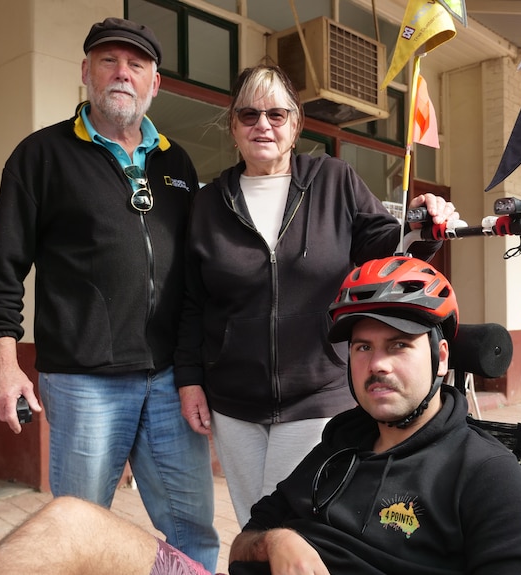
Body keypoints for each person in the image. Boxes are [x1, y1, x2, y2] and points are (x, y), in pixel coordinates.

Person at [0, 256, 521, 575]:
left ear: (442, 357)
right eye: (363, 347)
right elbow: (241, 547)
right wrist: (278, 540)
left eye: (398, 346)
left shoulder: (485, 476)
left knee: (64, 518)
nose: (377, 364)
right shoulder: (342, 442)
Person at [0, 17, 219, 571]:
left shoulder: (176, 163)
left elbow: (197, 276)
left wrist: (197, 368)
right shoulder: (40, 156)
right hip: (85, 382)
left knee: (193, 531)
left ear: (155, 84)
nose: (122, 74)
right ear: (86, 72)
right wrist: (3, 363)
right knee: (77, 528)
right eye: (108, 61)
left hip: (169, 383)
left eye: (137, 66)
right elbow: (1, 268)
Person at [176, 64, 460, 527]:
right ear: (232, 126)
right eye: (248, 115)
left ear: (296, 124)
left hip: (317, 395)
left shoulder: (333, 180)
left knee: (303, 527)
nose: (262, 125)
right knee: (255, 526)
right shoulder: (210, 203)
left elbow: (387, 247)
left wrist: (420, 221)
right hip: (234, 400)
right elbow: (193, 300)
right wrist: (189, 379)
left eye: (276, 114)